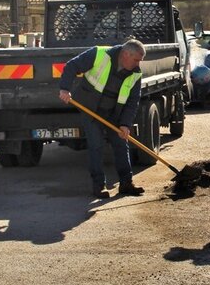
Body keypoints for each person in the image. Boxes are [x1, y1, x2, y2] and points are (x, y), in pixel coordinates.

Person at [58, 40, 147, 198]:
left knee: (121, 144)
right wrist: (65, 88)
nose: (138, 64)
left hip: (114, 114)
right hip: (91, 110)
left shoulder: (135, 73)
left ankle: (126, 183)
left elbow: (133, 102)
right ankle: (99, 186)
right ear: (126, 54)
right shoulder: (99, 54)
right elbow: (72, 66)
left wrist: (125, 124)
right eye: (136, 60)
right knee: (96, 146)